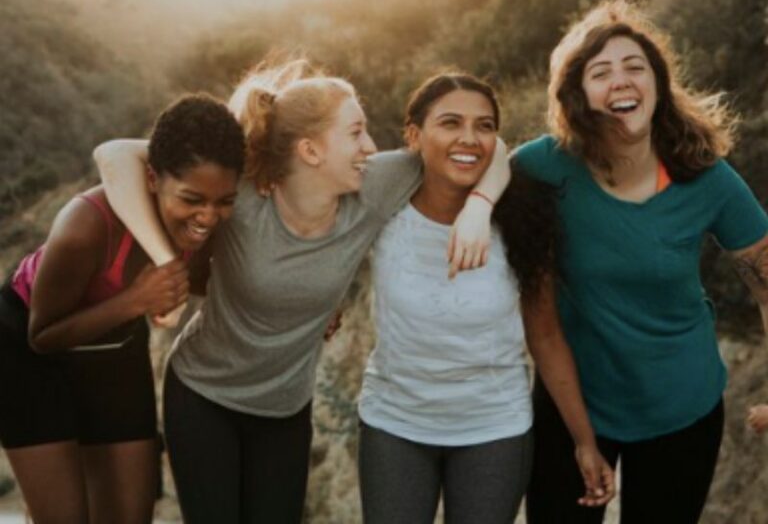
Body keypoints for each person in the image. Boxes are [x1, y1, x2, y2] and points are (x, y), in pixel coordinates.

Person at [93, 60, 505, 524]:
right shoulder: (243, 195)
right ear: (310, 150)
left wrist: (479, 207)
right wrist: (166, 261)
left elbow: (488, 146)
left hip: (285, 410)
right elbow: (114, 155)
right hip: (204, 396)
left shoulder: (373, 188)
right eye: (355, 133)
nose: (370, 146)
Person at [506, 0, 768, 524]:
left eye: (635, 67)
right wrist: (583, 440)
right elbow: (479, 163)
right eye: (600, 72)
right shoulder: (542, 168)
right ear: (577, 95)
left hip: (681, 406)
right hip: (573, 399)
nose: (621, 80)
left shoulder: (706, 177)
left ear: (657, 84)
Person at [357, 73, 614, 524]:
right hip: (394, 424)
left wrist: (584, 441)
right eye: (450, 123)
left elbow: (547, 337)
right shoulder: (384, 202)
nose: (469, 139)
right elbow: (322, 236)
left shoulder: (522, 220)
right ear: (415, 136)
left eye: (485, 126)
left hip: (494, 429)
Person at [0, 94, 244, 524]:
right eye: (191, 199)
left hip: (116, 346)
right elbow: (42, 336)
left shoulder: (210, 224)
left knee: (130, 517)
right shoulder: (86, 226)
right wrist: (135, 300)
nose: (207, 216)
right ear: (152, 178)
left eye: (223, 201)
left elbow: (209, 281)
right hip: (27, 351)